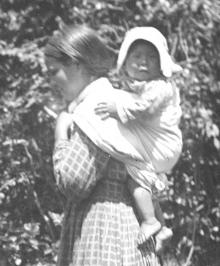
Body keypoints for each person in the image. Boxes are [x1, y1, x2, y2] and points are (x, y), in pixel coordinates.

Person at [45, 24, 161, 266]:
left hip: (104, 231)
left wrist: (60, 136)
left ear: (76, 64)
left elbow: (73, 182)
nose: (51, 80)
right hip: (125, 227)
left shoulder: (95, 109)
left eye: (54, 71)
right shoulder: (111, 100)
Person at [71, 27, 182, 248]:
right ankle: (162, 226)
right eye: (137, 56)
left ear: (161, 63)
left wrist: (116, 108)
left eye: (152, 57)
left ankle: (150, 221)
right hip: (157, 143)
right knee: (143, 176)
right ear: (125, 59)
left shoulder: (160, 86)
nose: (144, 62)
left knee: (134, 173)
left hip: (163, 144)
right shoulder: (138, 86)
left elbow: (145, 109)